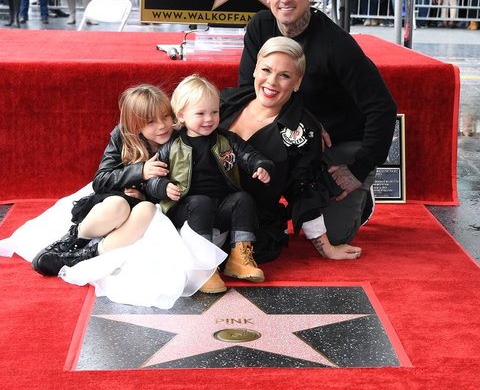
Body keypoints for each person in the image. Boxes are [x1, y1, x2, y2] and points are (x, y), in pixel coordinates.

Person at [5, 84, 226, 308]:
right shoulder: (122, 135)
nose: (162, 126)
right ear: (134, 125)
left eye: (166, 117)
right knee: (118, 205)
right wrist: (140, 171)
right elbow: (101, 180)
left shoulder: (182, 138)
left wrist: (146, 190)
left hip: (151, 207)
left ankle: (87, 254)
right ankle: (72, 241)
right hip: (113, 201)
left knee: (147, 210)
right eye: (150, 122)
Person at [238, 0, 397, 256]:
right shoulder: (260, 27)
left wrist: (359, 168)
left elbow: (383, 107)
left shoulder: (336, 45)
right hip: (291, 136)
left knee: (334, 236)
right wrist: (306, 122)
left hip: (337, 145)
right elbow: (248, 91)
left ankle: (362, 197)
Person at [223, 36, 363, 262]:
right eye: (266, 70)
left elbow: (303, 189)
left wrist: (325, 246)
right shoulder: (226, 101)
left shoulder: (304, 132)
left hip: (252, 222)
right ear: (255, 70)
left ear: (297, 82)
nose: (271, 82)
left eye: (284, 75)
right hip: (205, 205)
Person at [145, 75, 274, 293]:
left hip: (220, 209)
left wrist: (260, 165)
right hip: (186, 211)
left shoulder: (226, 139)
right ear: (181, 116)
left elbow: (248, 154)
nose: (209, 119)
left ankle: (239, 258)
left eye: (214, 112)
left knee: (242, 198)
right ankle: (204, 268)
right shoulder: (172, 145)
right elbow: (151, 180)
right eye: (201, 113)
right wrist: (163, 186)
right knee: (201, 202)